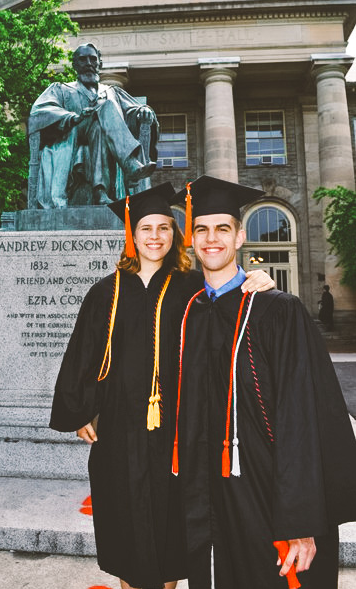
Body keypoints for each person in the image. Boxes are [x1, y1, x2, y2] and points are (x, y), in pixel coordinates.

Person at [50, 182, 274, 589]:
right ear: (131, 235)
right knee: (128, 535)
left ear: (176, 234)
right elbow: (81, 352)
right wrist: (81, 409)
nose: (155, 236)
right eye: (146, 228)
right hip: (119, 430)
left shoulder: (193, 287)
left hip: (178, 431)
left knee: (171, 537)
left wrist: (259, 280)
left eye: (164, 227)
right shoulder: (106, 292)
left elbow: (232, 308)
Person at [172, 175, 356, 589]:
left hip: (267, 490)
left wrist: (302, 519)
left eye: (223, 228)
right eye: (201, 229)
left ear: (240, 237)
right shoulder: (189, 313)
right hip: (208, 494)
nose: (211, 238)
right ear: (192, 237)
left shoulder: (278, 311)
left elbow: (304, 418)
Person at [29, 43, 158, 208]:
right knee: (107, 107)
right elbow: (39, 112)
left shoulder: (112, 92)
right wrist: (72, 117)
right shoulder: (61, 89)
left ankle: (100, 192)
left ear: (100, 64)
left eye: (92, 59)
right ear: (75, 65)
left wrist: (145, 111)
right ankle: (130, 164)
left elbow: (133, 111)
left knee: (100, 122)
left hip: (102, 136)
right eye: (83, 59)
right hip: (72, 136)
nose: (88, 63)